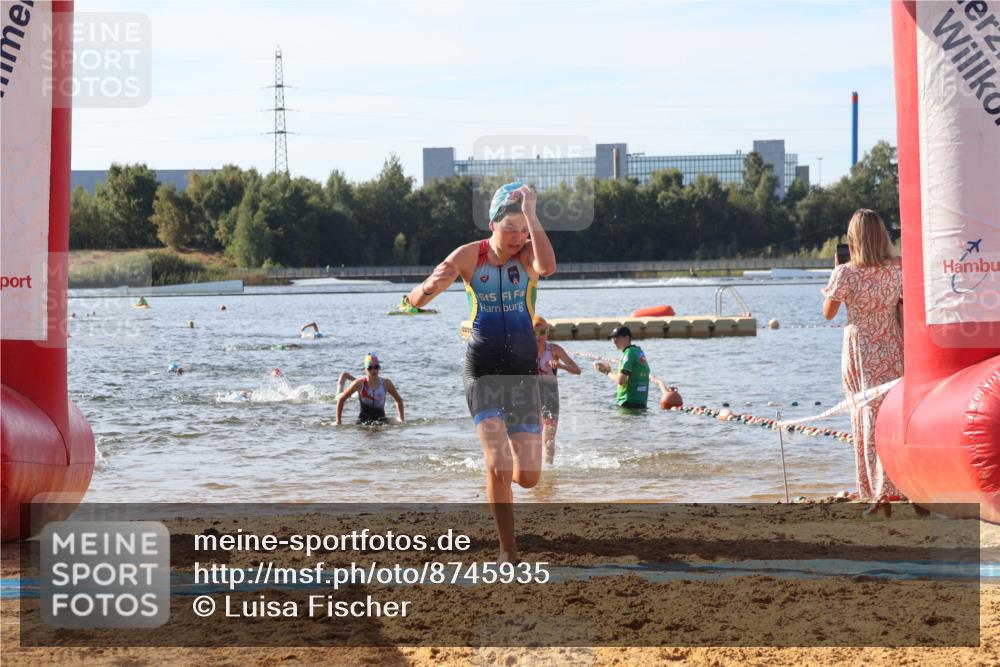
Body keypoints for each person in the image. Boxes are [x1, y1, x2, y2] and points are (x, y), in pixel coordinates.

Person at [405, 181, 555, 563]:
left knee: (529, 477)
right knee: (497, 460)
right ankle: (508, 551)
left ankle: (506, 493)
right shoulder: (471, 256)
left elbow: (548, 267)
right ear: (492, 224)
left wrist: (534, 216)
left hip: (522, 375)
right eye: (512, 229)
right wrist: (415, 298)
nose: (519, 237)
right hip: (483, 371)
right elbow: (432, 285)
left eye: (524, 230)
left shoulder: (527, 259)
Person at [822, 209, 905, 511]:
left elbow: (828, 313)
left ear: (853, 238)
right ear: (882, 235)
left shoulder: (845, 273)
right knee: (893, 416)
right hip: (893, 343)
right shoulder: (898, 268)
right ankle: (902, 485)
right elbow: (904, 303)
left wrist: (836, 275)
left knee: (866, 418)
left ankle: (879, 492)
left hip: (861, 348)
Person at [533, 315, 580, 464]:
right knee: (530, 437)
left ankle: (548, 473)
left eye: (542, 332)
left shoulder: (553, 349)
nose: (539, 336)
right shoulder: (525, 350)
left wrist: (561, 366)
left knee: (549, 440)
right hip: (530, 395)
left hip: (550, 396)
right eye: (534, 333)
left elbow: (577, 370)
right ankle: (531, 468)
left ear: (547, 332)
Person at [336, 353, 405, 426]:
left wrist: (402, 420)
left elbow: (398, 400)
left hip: (381, 420)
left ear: (379, 368)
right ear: (365, 369)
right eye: (370, 368)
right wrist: (338, 421)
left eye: (376, 367)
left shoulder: (386, 383)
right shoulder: (359, 384)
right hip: (363, 422)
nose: (373, 370)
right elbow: (341, 399)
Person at [594, 326, 651, 409]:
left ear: (627, 338)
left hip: (628, 402)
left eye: (617, 337)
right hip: (641, 403)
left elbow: (621, 380)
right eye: (612, 338)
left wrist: (607, 372)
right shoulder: (638, 351)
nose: (614, 341)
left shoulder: (629, 353)